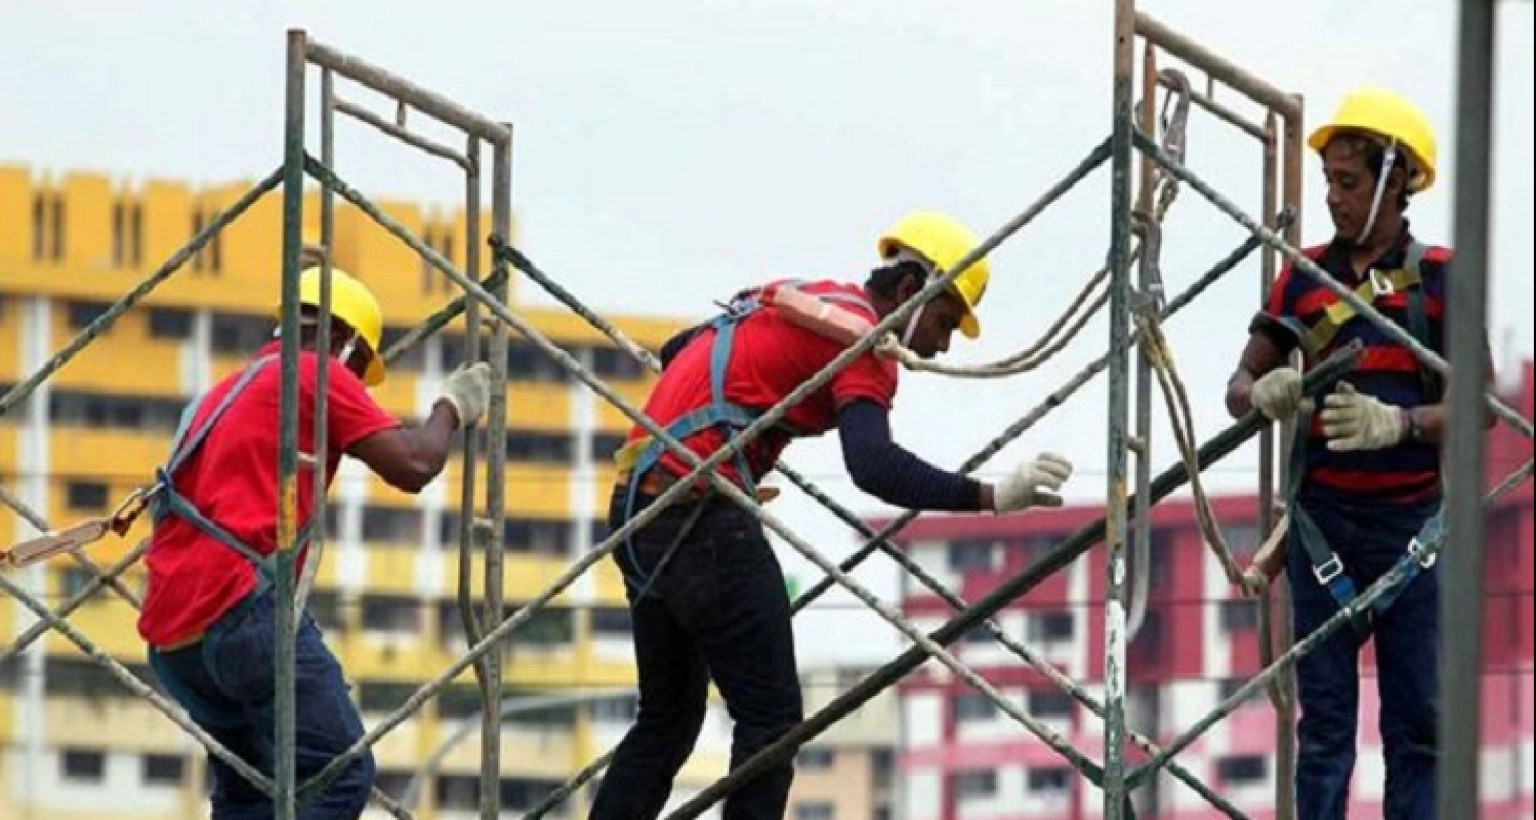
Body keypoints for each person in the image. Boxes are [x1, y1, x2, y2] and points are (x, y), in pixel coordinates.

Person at [590, 211, 1076, 820]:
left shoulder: (806, 301)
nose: (943, 344)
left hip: (637, 510)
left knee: (667, 720)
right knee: (771, 722)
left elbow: (677, 349)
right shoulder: (865, 341)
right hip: (699, 518)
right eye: (946, 320)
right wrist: (993, 497)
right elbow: (872, 464)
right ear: (909, 292)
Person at [137, 265, 491, 820]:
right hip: (239, 615)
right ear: (342, 340)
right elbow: (415, 463)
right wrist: (451, 408)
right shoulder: (314, 374)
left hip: (175, 639)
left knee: (251, 796)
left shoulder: (220, 395)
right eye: (357, 365)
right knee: (340, 772)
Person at [1224, 87, 1491, 820]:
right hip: (1324, 533)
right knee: (1325, 732)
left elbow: (1480, 405)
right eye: (1330, 183)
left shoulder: (1440, 275)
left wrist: (1397, 425)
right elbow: (1237, 387)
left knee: (1420, 728)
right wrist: (1265, 391)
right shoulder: (1302, 277)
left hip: (1412, 533)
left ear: (1397, 181)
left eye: (1350, 182)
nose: (1335, 199)